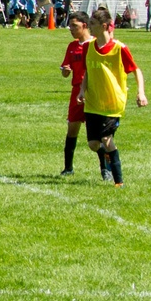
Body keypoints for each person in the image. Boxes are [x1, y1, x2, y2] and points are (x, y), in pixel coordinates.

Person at [76, 8, 148, 187]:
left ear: (104, 26)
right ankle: (104, 158)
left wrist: (141, 92)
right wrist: (82, 90)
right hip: (93, 102)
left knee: (107, 140)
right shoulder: (87, 47)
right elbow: (87, 72)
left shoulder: (119, 48)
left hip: (113, 103)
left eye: (93, 24)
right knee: (94, 144)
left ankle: (118, 181)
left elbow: (135, 70)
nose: (89, 28)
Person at [58, 12, 102, 177]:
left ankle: (105, 169)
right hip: (76, 91)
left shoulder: (95, 45)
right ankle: (68, 168)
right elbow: (65, 72)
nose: (71, 29)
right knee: (72, 129)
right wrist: (65, 71)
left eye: (74, 26)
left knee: (98, 134)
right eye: (70, 26)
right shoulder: (72, 46)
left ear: (85, 25)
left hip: (94, 91)